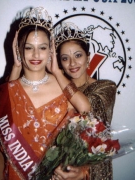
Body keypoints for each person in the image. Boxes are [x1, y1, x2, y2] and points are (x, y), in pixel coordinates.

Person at [0, 8, 91, 180]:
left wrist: (82, 171)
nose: (36, 55)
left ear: (51, 50)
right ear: (19, 49)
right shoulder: (2, 94)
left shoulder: (65, 89)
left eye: (42, 47)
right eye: (28, 48)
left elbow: (85, 118)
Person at [9, 21, 117, 180]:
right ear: (59, 61)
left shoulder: (106, 87)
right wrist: (17, 67)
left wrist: (57, 72)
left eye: (78, 55)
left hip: (94, 168)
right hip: (61, 168)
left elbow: (88, 109)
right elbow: (10, 104)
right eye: (65, 58)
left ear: (88, 58)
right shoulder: (58, 88)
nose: (72, 63)